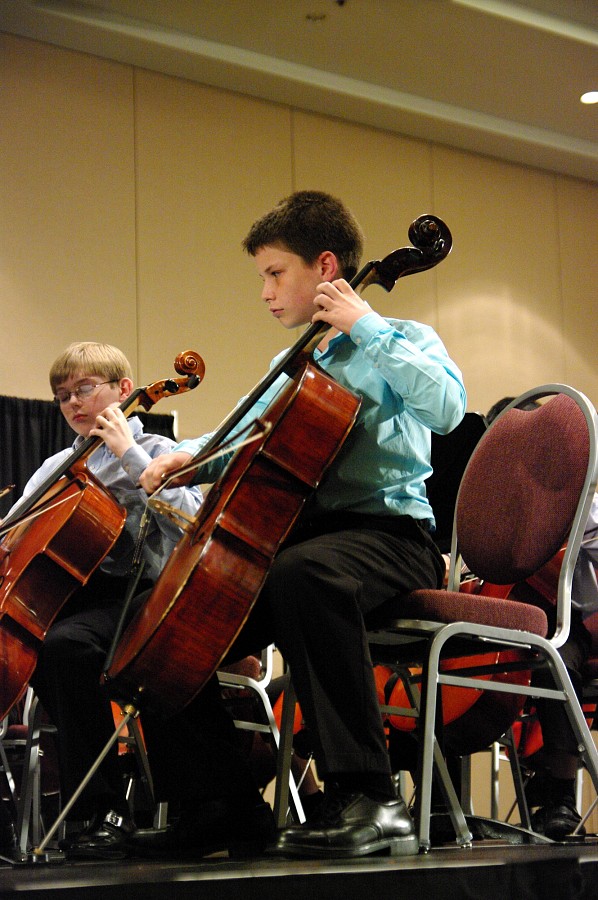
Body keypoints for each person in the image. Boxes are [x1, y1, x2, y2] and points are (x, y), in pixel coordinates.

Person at [136, 190, 467, 859]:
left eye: (273, 273)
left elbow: (449, 409)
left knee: (302, 575)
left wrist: (365, 324)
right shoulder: (293, 365)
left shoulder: (400, 338)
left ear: (323, 266)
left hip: (392, 537)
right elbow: (240, 439)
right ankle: (222, 800)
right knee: (171, 616)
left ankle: (372, 797)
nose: (264, 292)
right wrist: (183, 461)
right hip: (314, 546)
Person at [1, 342, 202, 856]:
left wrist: (129, 460)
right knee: (52, 648)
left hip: (148, 599)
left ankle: (103, 809)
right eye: (62, 396)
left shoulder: (158, 451)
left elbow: (194, 529)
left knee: (66, 648)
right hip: (80, 603)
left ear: (124, 391)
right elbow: (12, 533)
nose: (72, 403)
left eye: (85, 389)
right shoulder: (56, 467)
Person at [487, 396, 595, 840]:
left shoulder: (583, 484)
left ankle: (561, 797)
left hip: (587, 619)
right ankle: (442, 803)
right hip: (543, 618)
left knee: (553, 654)